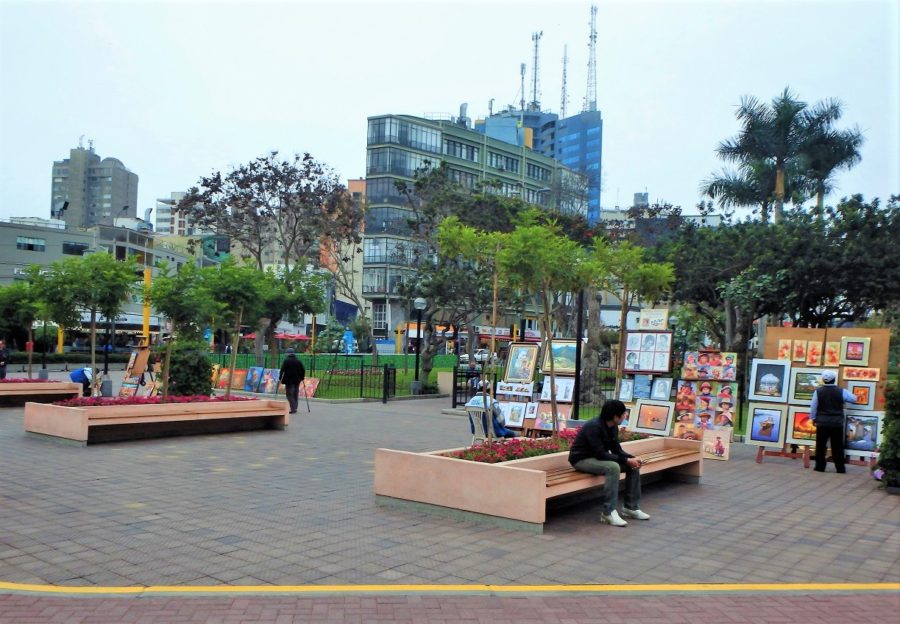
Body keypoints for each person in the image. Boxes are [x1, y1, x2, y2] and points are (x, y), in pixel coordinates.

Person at [568, 399, 650, 527]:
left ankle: (631, 508)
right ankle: (608, 513)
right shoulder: (594, 427)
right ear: (615, 417)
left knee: (633, 466)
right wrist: (626, 460)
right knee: (613, 467)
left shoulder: (613, 427)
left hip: (597, 459)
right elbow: (600, 454)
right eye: (623, 414)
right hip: (581, 460)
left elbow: (617, 450)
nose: (625, 415)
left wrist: (632, 458)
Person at [810, 369, 857, 473]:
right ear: (834, 379)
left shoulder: (818, 392)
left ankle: (820, 467)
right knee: (837, 446)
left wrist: (813, 418)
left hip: (822, 422)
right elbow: (854, 399)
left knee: (821, 445)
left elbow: (813, 407)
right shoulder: (841, 391)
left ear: (823, 380)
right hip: (837, 423)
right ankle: (840, 468)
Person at [279, 348, 306, 414]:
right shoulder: (298, 361)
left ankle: (293, 408)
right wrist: (302, 377)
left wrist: (280, 378)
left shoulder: (286, 361)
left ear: (288, 354)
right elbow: (303, 370)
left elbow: (282, 370)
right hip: (297, 380)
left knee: (289, 394)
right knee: (295, 394)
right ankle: (295, 407)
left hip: (289, 380)